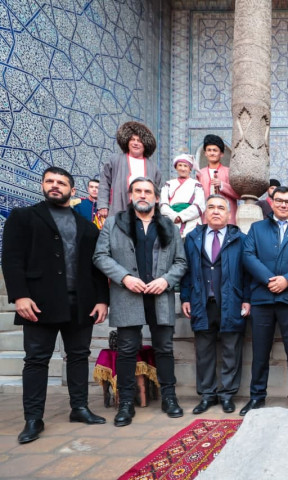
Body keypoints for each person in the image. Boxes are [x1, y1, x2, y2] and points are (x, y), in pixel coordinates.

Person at [2, 167, 109, 444]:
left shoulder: (86, 226)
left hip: (80, 303)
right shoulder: (23, 217)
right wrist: (19, 296)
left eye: (61, 183)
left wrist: (101, 300)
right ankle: (33, 418)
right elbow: (11, 258)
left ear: (72, 191)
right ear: (42, 185)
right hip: (39, 303)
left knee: (78, 356)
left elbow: (96, 267)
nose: (55, 185)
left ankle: (79, 408)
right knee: (36, 360)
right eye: (50, 181)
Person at [93, 177, 188, 427]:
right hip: (128, 296)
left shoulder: (169, 226)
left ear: (156, 198)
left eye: (148, 191)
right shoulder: (114, 223)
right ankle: (126, 402)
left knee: (164, 348)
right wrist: (124, 277)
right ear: (130, 195)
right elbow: (100, 256)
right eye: (138, 191)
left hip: (160, 297)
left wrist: (166, 280)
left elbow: (181, 262)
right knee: (126, 350)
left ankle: (169, 397)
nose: (143, 195)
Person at [240, 186, 288, 415]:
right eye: (280, 200)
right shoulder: (257, 228)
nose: (284, 205)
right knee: (260, 351)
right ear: (271, 202)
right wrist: (269, 280)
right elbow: (248, 256)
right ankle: (257, 397)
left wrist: (287, 280)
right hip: (262, 298)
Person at [180, 195, 251, 415]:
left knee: (231, 350)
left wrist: (247, 299)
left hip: (232, 302)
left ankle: (227, 395)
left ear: (229, 214)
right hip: (201, 302)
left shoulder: (240, 239)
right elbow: (186, 270)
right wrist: (185, 298)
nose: (216, 211)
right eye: (211, 207)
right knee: (204, 351)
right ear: (205, 212)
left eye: (221, 208)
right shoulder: (192, 238)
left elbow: (248, 272)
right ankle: (207, 395)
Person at [98, 121, 162, 219]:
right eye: (132, 140)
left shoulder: (153, 167)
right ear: (127, 142)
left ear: (145, 145)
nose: (135, 143)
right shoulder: (115, 160)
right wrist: (103, 205)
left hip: (144, 212)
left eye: (139, 141)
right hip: (118, 208)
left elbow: (158, 192)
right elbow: (104, 183)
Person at [197, 134, 240, 224]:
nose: (212, 153)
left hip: (227, 219)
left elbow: (239, 194)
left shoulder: (229, 172)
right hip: (207, 218)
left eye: (215, 150)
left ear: (221, 154)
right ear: (205, 153)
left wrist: (222, 185)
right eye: (209, 150)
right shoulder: (200, 174)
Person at [159, 154, 206, 238]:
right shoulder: (168, 184)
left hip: (192, 221)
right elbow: (163, 204)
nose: (182, 168)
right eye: (180, 165)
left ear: (190, 169)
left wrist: (181, 216)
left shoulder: (196, 185)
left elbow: (199, 205)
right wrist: (174, 216)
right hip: (171, 219)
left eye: (185, 166)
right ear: (176, 167)